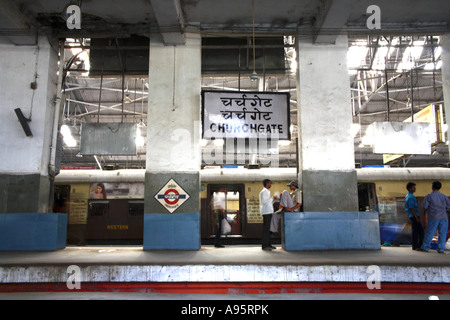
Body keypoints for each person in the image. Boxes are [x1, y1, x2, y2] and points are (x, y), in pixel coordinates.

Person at [419, 181, 450, 253]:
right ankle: (441, 249)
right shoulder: (444, 196)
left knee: (430, 232)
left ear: (432, 187)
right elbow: (449, 206)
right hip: (444, 217)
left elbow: (424, 206)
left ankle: (425, 247)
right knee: (443, 233)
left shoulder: (429, 196)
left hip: (433, 217)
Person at [404, 182, 424, 250]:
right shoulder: (411, 197)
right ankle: (417, 245)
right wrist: (416, 217)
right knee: (418, 231)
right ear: (409, 188)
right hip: (414, 216)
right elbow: (411, 208)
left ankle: (416, 245)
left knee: (417, 231)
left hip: (413, 215)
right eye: (413, 187)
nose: (415, 188)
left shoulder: (408, 195)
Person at [259, 179, 275, 251]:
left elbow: (269, 202)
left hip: (268, 211)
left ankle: (268, 244)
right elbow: (264, 202)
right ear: (267, 183)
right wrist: (272, 198)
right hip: (266, 212)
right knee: (266, 229)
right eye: (270, 183)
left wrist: (273, 199)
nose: (270, 185)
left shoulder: (267, 192)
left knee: (268, 229)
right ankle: (264, 246)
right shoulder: (263, 192)